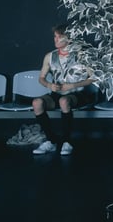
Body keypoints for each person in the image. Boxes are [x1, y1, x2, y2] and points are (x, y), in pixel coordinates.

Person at [32, 23, 95, 156]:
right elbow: (41, 78)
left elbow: (93, 78)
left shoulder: (81, 54)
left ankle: (67, 142)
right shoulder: (50, 56)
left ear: (69, 38)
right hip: (57, 94)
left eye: (59, 37)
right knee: (37, 103)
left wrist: (73, 85)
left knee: (64, 101)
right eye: (55, 36)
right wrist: (49, 85)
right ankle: (51, 141)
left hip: (78, 94)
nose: (55, 39)